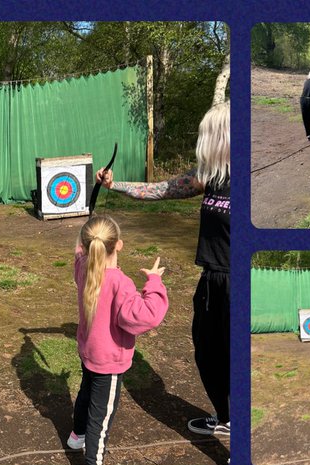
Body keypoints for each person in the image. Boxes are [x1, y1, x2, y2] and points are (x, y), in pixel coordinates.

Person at [98, 103, 232, 444]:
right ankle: (228, 419)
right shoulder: (212, 176)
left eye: (210, 133)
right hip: (211, 280)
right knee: (207, 353)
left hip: (237, 282)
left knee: (236, 360)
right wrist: (115, 186)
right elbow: (162, 189)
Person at [67, 215, 168, 465]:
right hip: (109, 363)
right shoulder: (120, 283)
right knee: (100, 421)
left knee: (85, 393)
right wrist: (154, 282)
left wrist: (87, 232)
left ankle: (76, 437)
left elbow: (79, 250)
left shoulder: (82, 267)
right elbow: (145, 316)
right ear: (119, 245)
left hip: (89, 353)